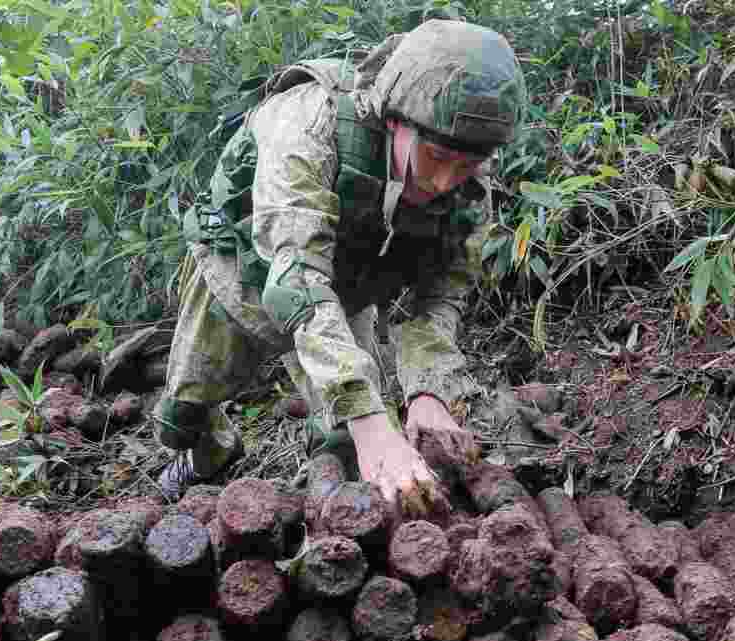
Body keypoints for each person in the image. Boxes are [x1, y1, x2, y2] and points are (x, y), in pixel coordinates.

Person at [151, 18, 528, 517]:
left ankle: (329, 497)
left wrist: (427, 392)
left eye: (467, 166)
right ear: (396, 119)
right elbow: (296, 281)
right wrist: (372, 422)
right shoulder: (308, 123)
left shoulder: (465, 179)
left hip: (347, 281)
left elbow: (440, 295)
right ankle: (211, 451)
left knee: (347, 429)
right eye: (436, 158)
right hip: (244, 266)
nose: (444, 183)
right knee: (182, 414)